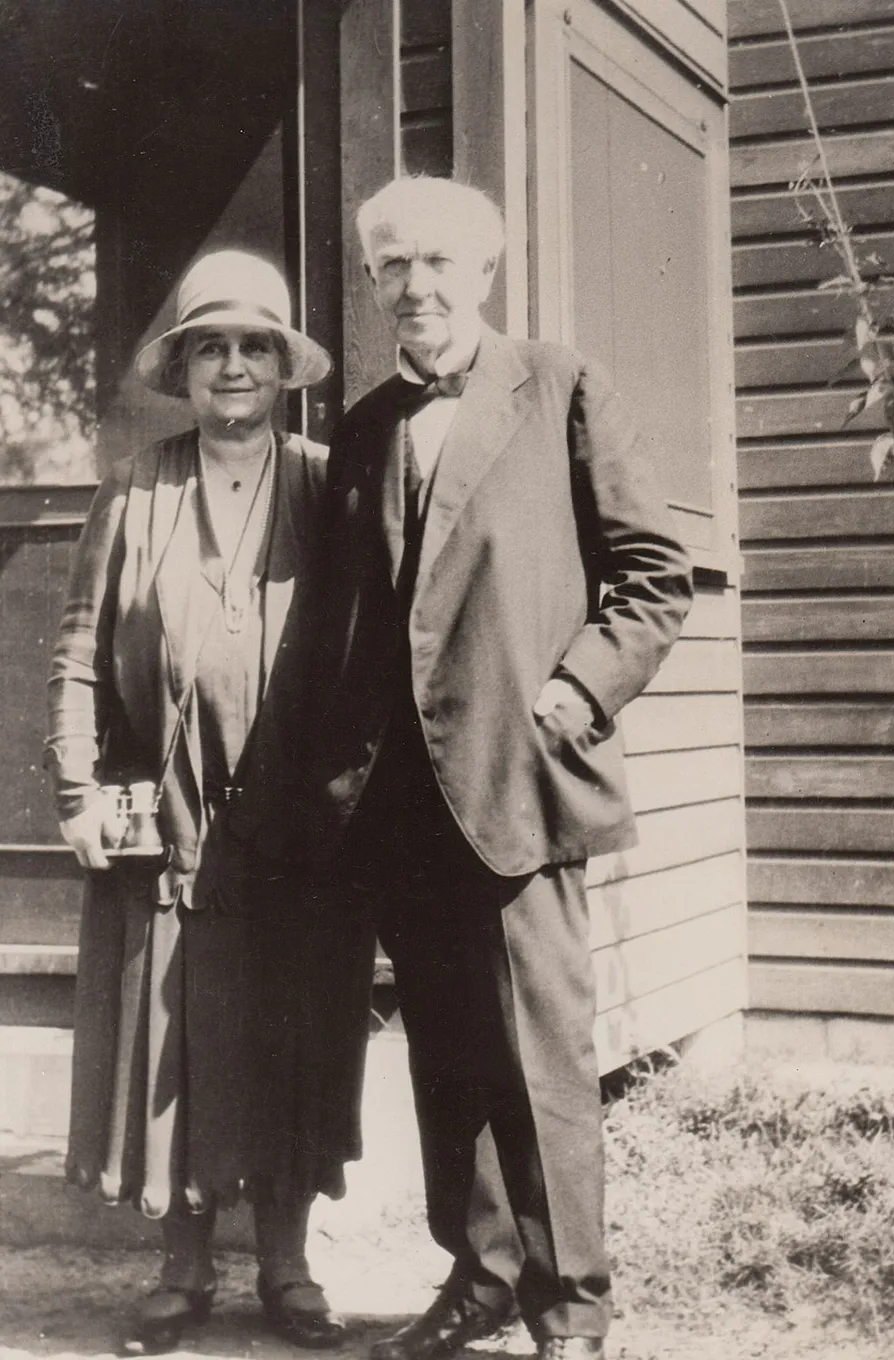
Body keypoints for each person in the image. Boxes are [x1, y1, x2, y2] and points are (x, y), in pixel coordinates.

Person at [308, 176, 693, 1360]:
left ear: (484, 271)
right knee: (446, 1055)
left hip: (518, 780)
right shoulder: (365, 427)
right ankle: (478, 1277)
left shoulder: (560, 385)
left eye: (436, 263)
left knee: (541, 1063)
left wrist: (575, 694)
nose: (413, 287)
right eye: (390, 267)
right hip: (403, 803)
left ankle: (571, 1310)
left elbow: (651, 573)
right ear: (372, 283)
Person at [45, 250, 372, 1354]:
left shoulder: (331, 485)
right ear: (181, 368)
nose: (232, 366)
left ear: (284, 369)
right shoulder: (135, 486)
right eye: (210, 347)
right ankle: (181, 1267)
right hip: (166, 812)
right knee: (172, 1036)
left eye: (254, 347)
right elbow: (79, 650)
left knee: (294, 1030)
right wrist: (77, 787)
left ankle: (287, 1265)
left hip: (295, 821)